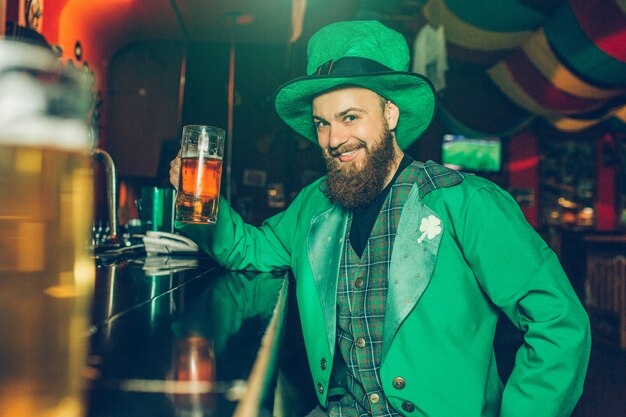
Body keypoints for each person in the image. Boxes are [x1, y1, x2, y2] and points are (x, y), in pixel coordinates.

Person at [170, 20, 591, 417]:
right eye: (322, 123)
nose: (334, 140)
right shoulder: (313, 205)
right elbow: (247, 248)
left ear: (390, 115)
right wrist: (198, 198)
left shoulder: (466, 202)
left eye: (350, 117)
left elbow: (560, 323)